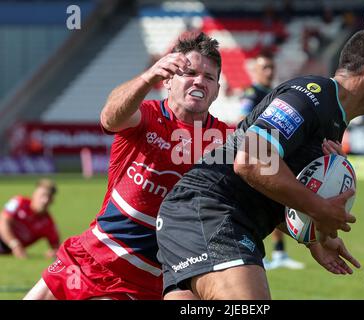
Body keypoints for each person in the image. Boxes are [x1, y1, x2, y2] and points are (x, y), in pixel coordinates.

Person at [156, 29, 364, 299]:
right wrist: (320, 208)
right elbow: (251, 160)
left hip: (196, 219)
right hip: (209, 211)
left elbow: (267, 184)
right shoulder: (311, 96)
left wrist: (313, 237)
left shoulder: (333, 121)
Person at [24, 31, 231, 300]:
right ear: (168, 80)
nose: (199, 81)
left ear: (216, 90)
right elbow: (110, 118)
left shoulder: (226, 142)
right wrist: (147, 77)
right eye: (189, 72)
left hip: (143, 280)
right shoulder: (147, 115)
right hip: (91, 253)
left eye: (209, 77)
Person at [240, 51, 305, 270]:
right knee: (263, 205)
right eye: (265, 67)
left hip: (274, 155)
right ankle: (260, 253)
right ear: (255, 71)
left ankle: (278, 254)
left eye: (271, 67)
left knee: (276, 203)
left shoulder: (274, 93)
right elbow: (242, 121)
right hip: (257, 156)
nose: (269, 71)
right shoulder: (252, 93)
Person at [0, 179, 59, 259]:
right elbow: (3, 221)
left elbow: (57, 248)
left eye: (49, 197)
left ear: (52, 201)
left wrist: (54, 253)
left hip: (6, 250)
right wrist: (15, 244)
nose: (45, 201)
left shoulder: (48, 223)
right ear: (34, 195)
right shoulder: (18, 202)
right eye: (42, 195)